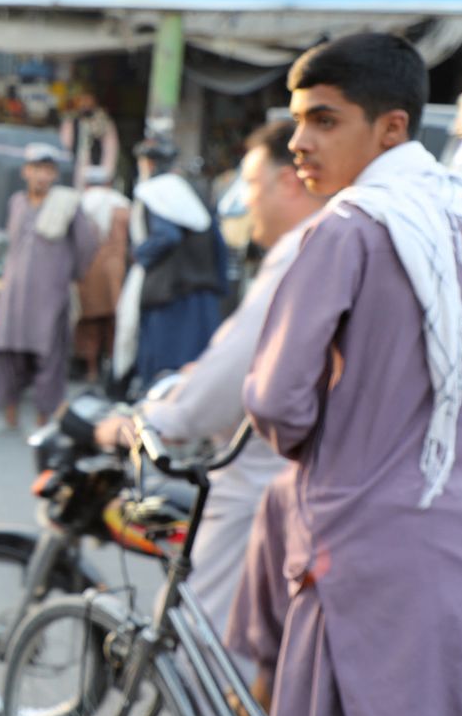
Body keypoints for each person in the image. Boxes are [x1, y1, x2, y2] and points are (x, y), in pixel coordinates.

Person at [231, 33, 462, 716]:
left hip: (367, 559)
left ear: (391, 128)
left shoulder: (347, 229)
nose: (299, 141)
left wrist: (335, 432)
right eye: (297, 120)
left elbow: (277, 401)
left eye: (324, 120)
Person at [94, 119, 319, 652]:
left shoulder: (305, 250)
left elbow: (227, 377)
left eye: (252, 184)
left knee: (201, 642)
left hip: (262, 479)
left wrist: (153, 422)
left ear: (290, 180)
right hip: (195, 314)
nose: (245, 200)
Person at [0, 143, 97, 434]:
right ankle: (10, 417)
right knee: (8, 353)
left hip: (49, 294)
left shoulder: (67, 204)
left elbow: (86, 245)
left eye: (47, 170)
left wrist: (67, 274)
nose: (41, 176)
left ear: (54, 175)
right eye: (36, 169)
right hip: (14, 293)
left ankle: (43, 420)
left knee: (49, 357)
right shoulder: (17, 202)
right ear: (26, 172)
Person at [114, 139, 227, 391]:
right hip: (202, 294)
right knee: (195, 372)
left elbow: (167, 236)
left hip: (167, 297)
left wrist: (139, 254)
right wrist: (220, 285)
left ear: (149, 164)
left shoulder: (153, 193)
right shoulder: (194, 191)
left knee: (163, 374)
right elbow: (218, 241)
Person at [72, 166, 129, 384]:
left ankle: (92, 369)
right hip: (116, 274)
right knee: (114, 324)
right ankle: (114, 369)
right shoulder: (123, 206)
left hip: (87, 275)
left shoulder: (81, 204)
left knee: (90, 326)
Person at [59, 89, 119, 190]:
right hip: (74, 168)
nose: (85, 103)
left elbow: (110, 150)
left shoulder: (104, 123)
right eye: (82, 100)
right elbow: (64, 146)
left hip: (95, 171)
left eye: (88, 100)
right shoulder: (71, 121)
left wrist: (106, 173)